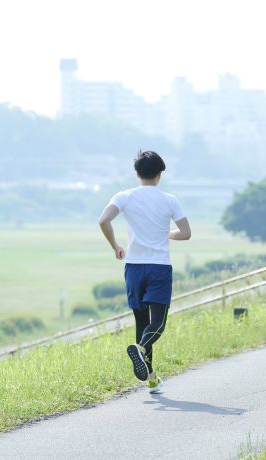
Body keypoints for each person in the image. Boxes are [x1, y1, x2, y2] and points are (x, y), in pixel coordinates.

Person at [98, 150, 191, 394]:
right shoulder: (170, 200)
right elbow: (186, 233)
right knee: (157, 324)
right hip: (159, 267)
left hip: (133, 267)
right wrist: (166, 233)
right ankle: (140, 351)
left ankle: (150, 378)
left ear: (137, 173)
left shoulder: (124, 196)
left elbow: (103, 220)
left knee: (142, 322)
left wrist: (116, 246)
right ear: (159, 175)